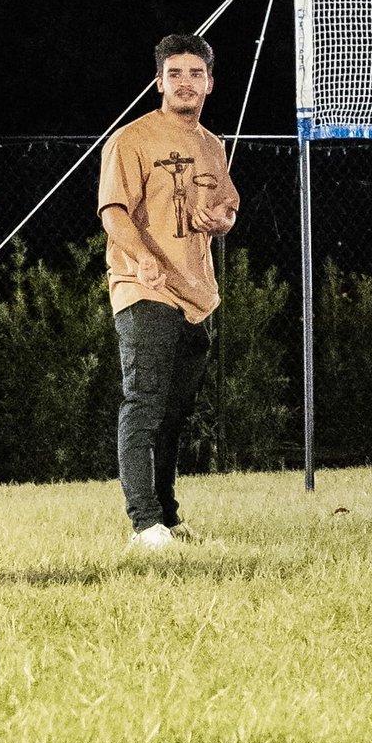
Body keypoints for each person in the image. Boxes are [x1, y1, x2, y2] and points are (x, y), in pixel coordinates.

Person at [99, 33, 241, 553]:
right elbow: (113, 211)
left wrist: (219, 219)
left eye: (195, 74)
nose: (185, 83)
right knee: (144, 402)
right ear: (159, 82)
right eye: (174, 74)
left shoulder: (211, 145)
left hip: (196, 292)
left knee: (175, 411)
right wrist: (141, 260)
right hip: (143, 287)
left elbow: (226, 207)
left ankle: (168, 518)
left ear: (209, 82)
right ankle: (143, 524)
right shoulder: (131, 140)